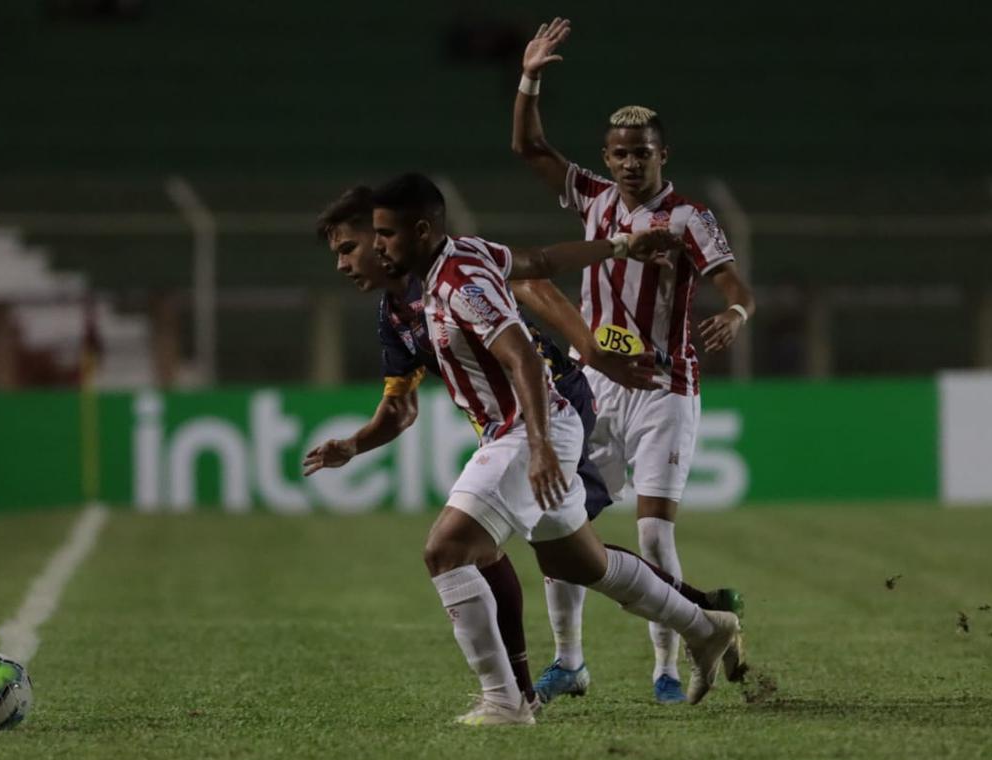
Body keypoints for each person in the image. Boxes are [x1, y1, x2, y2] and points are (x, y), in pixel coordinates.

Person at [304, 186, 745, 712]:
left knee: (451, 549)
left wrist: (586, 361)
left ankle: (513, 697)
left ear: (390, 238)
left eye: (352, 246)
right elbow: (401, 405)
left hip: (543, 414)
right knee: (579, 561)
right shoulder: (397, 313)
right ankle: (704, 622)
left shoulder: (456, 277)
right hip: (516, 426)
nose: (344, 262)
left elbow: (531, 308)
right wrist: (353, 445)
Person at [511, 17, 757, 704]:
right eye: (619, 153)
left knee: (651, 531)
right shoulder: (590, 198)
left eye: (641, 153)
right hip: (595, 385)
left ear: (662, 155)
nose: (628, 163)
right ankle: (570, 661)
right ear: (607, 154)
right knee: (559, 523)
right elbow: (527, 146)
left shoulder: (687, 218)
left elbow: (734, 282)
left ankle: (669, 670)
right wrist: (529, 77)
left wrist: (735, 313)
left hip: (663, 386)